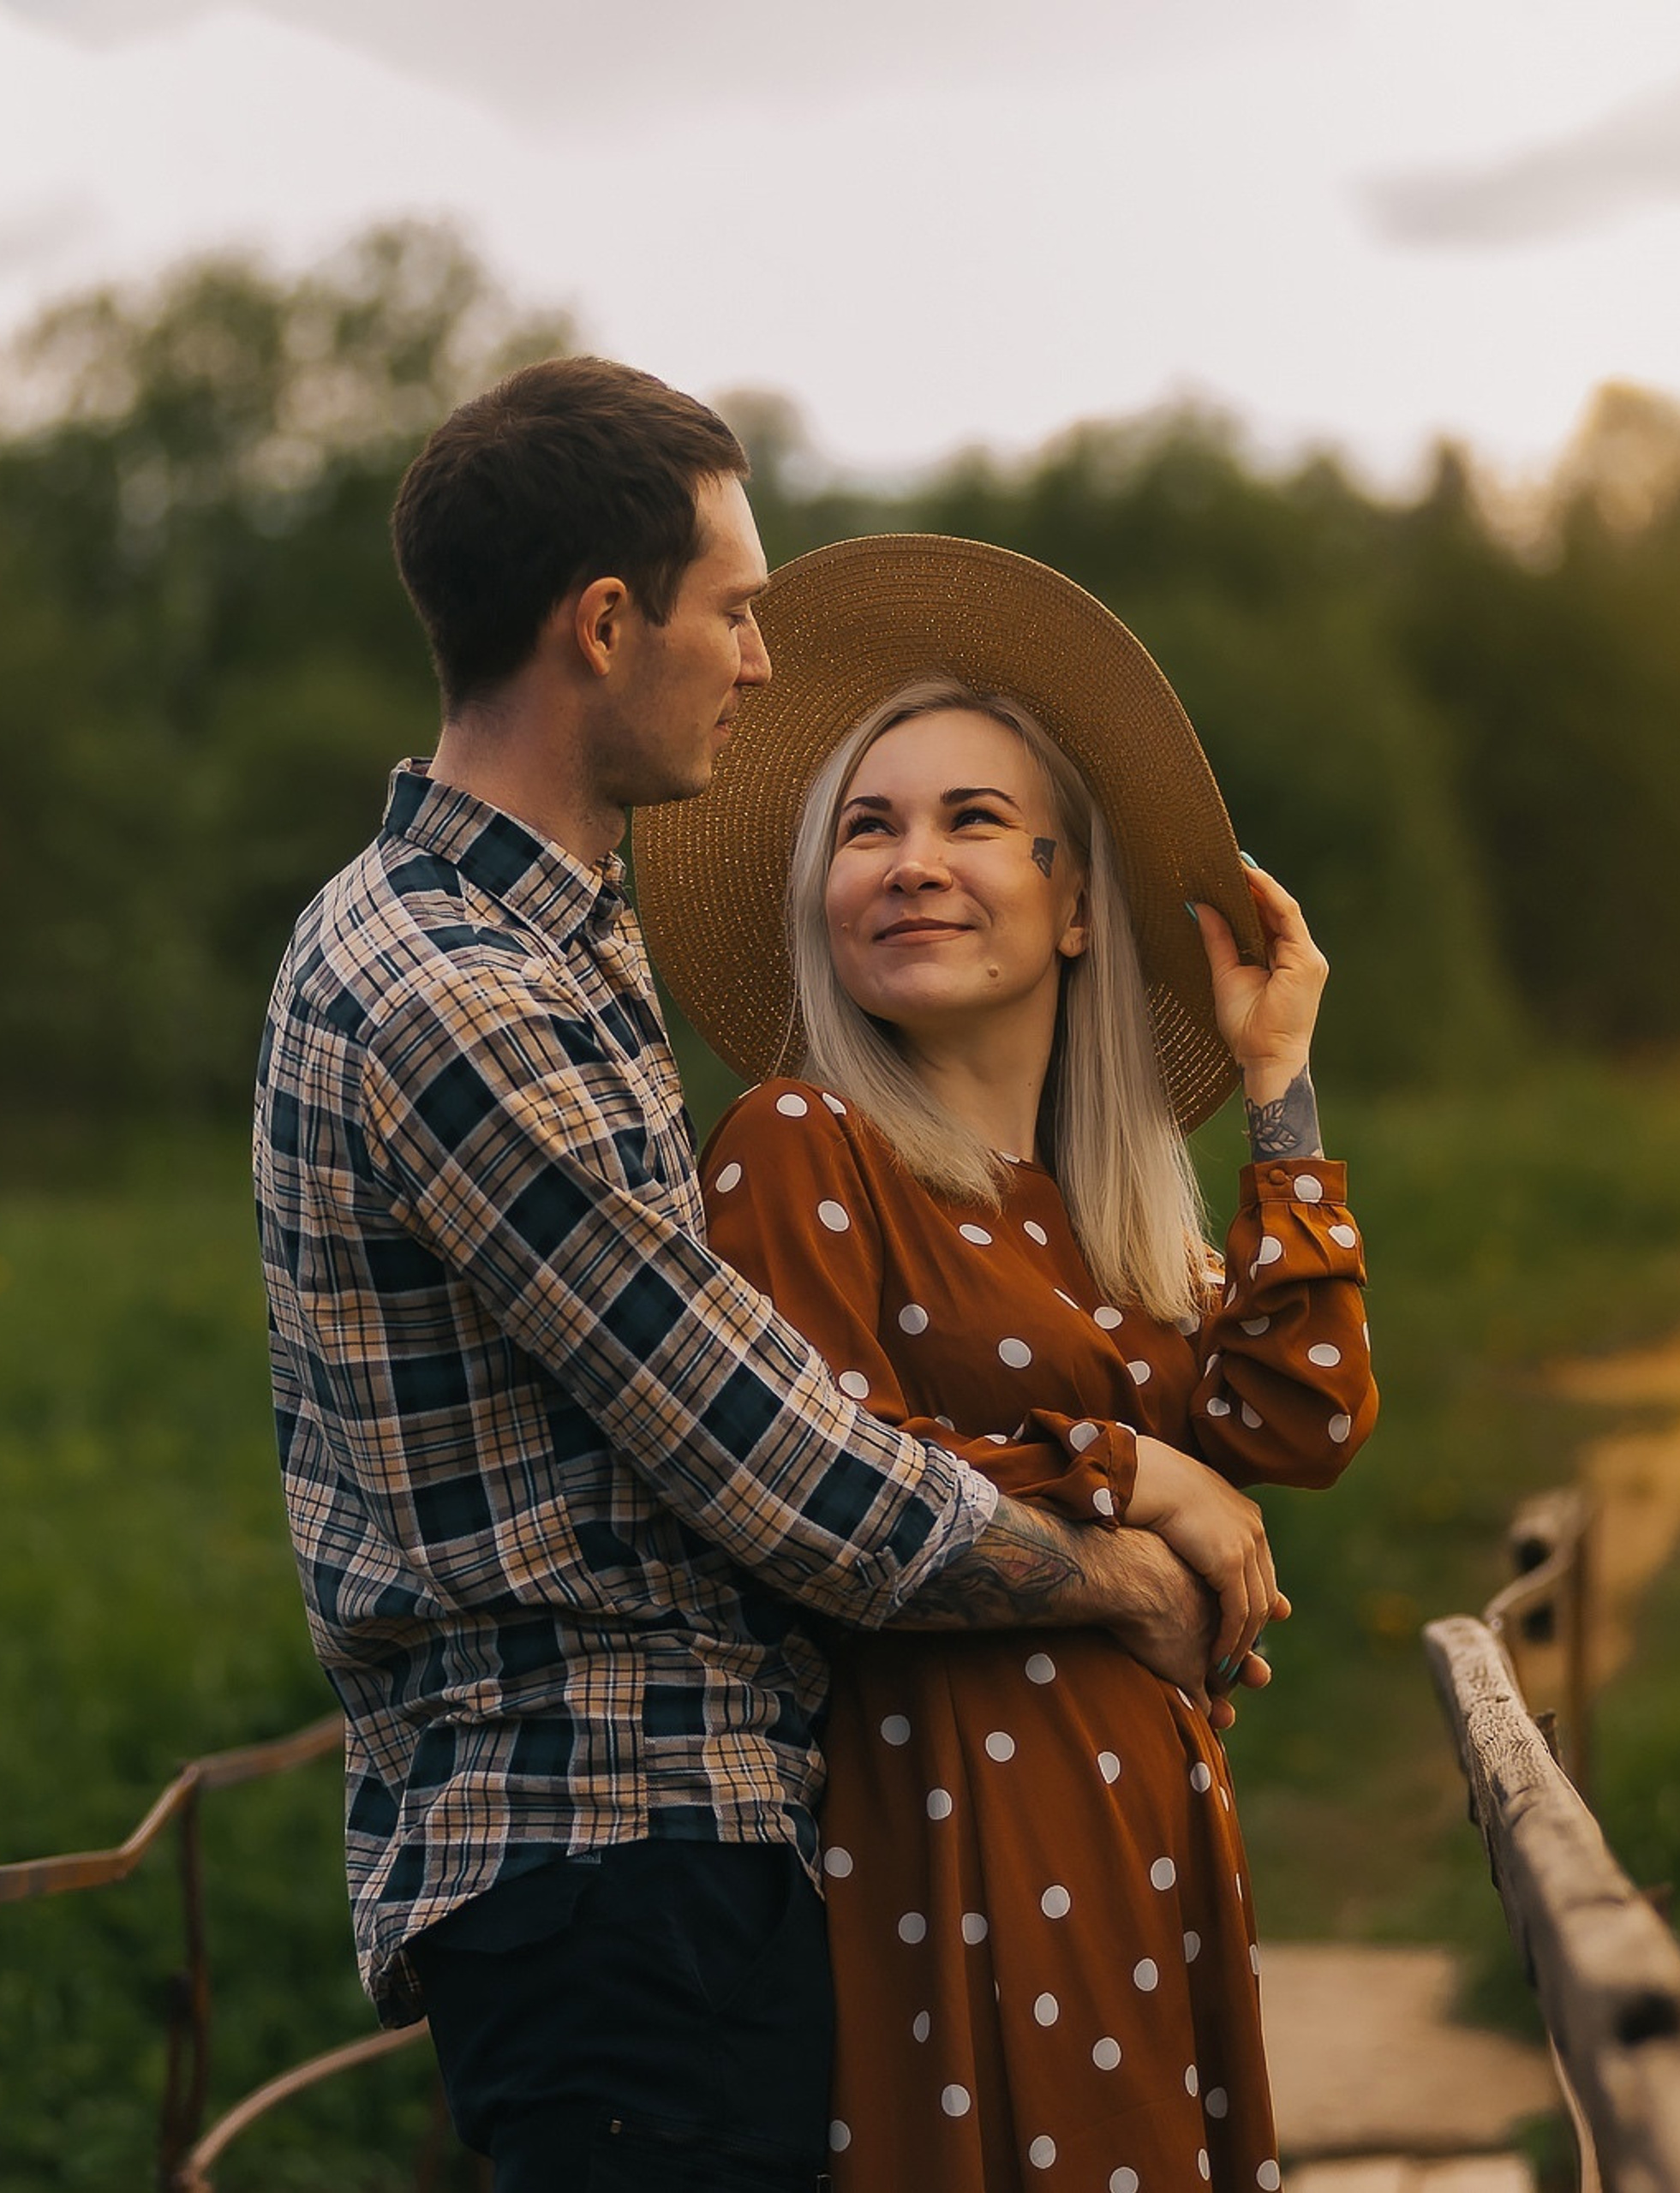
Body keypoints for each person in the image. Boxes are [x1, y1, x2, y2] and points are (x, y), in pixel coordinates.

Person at [251, 361, 1240, 2193]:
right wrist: (1130, 1558)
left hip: (658, 1848)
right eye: (732, 610)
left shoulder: (542, 938)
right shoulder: (455, 991)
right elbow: (773, 1462)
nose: (762, 662)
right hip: (603, 1848)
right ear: (602, 625)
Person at [633, 535, 1378, 2192]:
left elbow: (1302, 1417)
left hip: (1140, 1844)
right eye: (866, 830)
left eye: (972, 821)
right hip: (938, 1853)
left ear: (1078, 904)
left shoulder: (1104, 1215)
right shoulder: (800, 1143)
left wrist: (1281, 1090)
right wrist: (1137, 1475)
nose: (912, 864)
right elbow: (813, 1486)